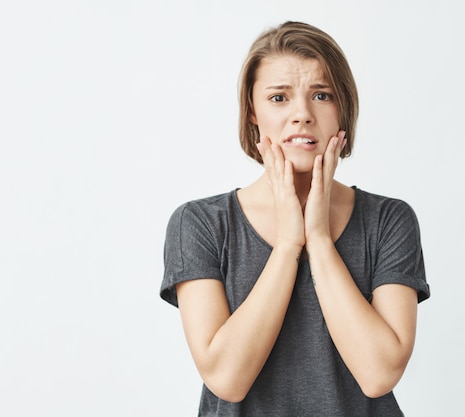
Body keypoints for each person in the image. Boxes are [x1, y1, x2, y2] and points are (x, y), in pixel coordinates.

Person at [160, 21, 430, 417]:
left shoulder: (388, 220)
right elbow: (227, 378)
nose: (302, 114)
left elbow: (379, 373)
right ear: (252, 111)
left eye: (321, 95)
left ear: (343, 109)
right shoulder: (200, 223)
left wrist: (318, 238)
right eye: (279, 98)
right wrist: (289, 243)